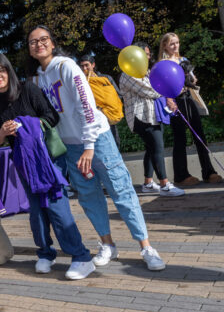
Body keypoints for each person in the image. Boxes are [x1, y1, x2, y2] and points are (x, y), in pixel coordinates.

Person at [26, 25, 165, 271]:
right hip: (71, 146)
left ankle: (146, 247)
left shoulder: (66, 66)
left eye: (44, 39)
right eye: (33, 41)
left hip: (97, 139)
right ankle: (107, 244)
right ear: (29, 49)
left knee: (121, 190)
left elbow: (86, 104)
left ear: (53, 43)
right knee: (89, 197)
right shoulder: (35, 78)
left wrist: (89, 146)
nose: (39, 44)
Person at [0, 52, 94, 280]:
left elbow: (52, 117)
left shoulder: (27, 89)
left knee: (56, 207)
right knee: (36, 210)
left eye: (0, 70)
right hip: (23, 161)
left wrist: (26, 125)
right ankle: (45, 252)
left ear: (8, 70)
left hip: (48, 158)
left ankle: (82, 257)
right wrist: (3, 132)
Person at [119, 42, 184, 197]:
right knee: (157, 148)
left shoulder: (147, 72)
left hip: (153, 115)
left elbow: (157, 87)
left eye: (149, 55)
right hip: (141, 117)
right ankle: (164, 185)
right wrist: (166, 89)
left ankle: (148, 183)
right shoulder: (129, 73)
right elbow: (150, 91)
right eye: (145, 55)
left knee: (151, 148)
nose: (148, 57)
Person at [158, 32, 222, 185]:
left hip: (188, 97)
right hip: (175, 101)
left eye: (177, 42)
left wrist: (191, 78)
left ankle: (208, 172)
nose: (176, 46)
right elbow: (159, 85)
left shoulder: (183, 60)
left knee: (200, 134)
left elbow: (193, 80)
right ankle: (181, 176)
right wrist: (168, 99)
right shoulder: (162, 64)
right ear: (165, 46)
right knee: (180, 138)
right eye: (172, 43)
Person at [79, 54, 123, 149]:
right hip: (92, 120)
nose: (84, 68)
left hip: (108, 117)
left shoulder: (105, 78)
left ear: (93, 65)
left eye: (86, 65)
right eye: (82, 66)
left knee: (115, 143)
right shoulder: (80, 83)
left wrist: (110, 108)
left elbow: (118, 95)